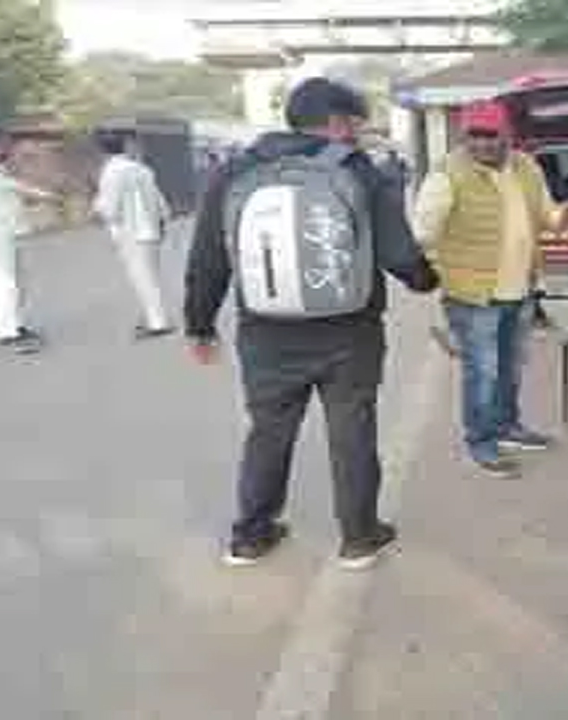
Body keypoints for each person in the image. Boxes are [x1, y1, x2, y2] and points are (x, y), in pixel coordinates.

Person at [184, 77, 439, 569]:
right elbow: (400, 253)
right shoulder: (357, 170)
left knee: (268, 431)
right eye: (355, 124)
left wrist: (200, 324)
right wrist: (425, 280)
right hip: (350, 332)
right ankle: (360, 538)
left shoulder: (235, 171)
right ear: (337, 122)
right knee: (353, 432)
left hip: (266, 331)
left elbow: (208, 258)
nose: (358, 134)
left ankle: (251, 535)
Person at [411, 100, 563, 478]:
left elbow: (546, 213)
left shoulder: (526, 167)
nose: (481, 144)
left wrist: (564, 217)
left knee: (510, 367)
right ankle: (480, 440)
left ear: (507, 135)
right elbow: (422, 232)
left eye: (490, 136)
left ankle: (507, 426)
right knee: (483, 371)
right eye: (473, 136)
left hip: (521, 288)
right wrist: (438, 273)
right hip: (473, 295)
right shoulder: (447, 174)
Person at [0, 123, 56, 354]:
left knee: (18, 283)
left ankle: (17, 325)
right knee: (3, 284)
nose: (5, 145)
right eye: (0, 142)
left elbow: (15, 188)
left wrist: (44, 196)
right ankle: (8, 334)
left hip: (10, 233)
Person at [93, 128, 174, 340]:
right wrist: (163, 222)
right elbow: (161, 202)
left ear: (101, 149)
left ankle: (157, 322)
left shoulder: (111, 171)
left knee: (142, 278)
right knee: (151, 276)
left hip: (131, 231)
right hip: (151, 230)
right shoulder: (141, 169)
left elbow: (110, 209)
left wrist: (97, 208)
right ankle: (153, 316)